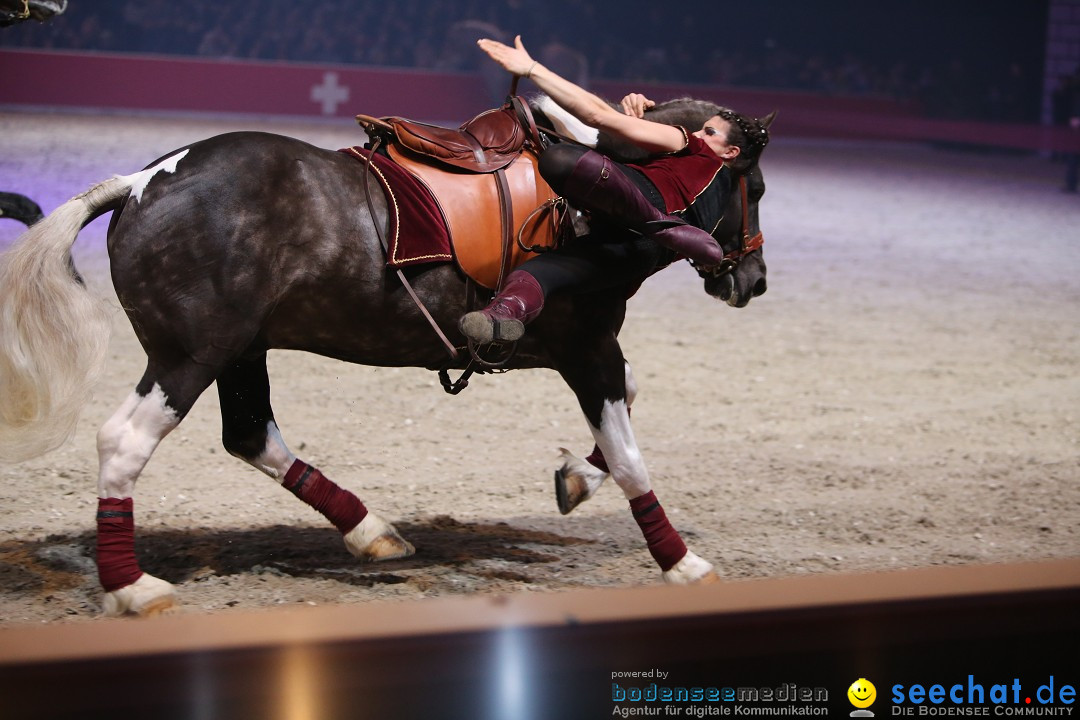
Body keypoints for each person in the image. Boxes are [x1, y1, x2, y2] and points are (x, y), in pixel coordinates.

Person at [458, 35, 769, 344]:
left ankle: (660, 225)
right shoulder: (715, 200)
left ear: (731, 153)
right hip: (637, 252)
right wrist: (638, 114)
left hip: (641, 206)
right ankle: (501, 315)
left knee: (560, 158)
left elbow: (596, 118)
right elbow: (600, 112)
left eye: (709, 131)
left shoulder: (695, 146)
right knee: (541, 274)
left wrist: (532, 69)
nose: (699, 132)